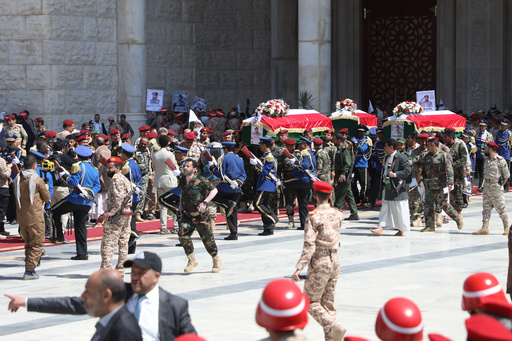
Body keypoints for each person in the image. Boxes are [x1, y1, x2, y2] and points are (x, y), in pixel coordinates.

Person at [5, 252, 196, 340]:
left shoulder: (174, 305)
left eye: (141, 273)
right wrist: (27, 302)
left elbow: (190, 338)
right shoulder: (119, 293)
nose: (135, 277)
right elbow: (75, 304)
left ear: (156, 276)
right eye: (134, 272)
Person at [6, 269, 142, 340]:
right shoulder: (111, 320)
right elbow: (72, 304)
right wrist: (25, 302)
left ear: (107, 295)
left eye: (88, 292)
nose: (82, 297)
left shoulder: (123, 330)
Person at [292, 180, 345, 341]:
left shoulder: (313, 218)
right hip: (335, 259)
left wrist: (299, 268)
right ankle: (331, 338)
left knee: (310, 301)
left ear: (314, 196)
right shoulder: (338, 213)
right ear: (329, 196)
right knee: (328, 303)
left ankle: (334, 326)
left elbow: (309, 246)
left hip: (321, 261)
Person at [51, 145, 101, 260]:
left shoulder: (76, 166)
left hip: (75, 198)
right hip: (87, 201)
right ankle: (82, 253)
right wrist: (90, 193)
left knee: (55, 210)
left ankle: (58, 236)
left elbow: (73, 182)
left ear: (78, 156)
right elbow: (97, 185)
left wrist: (64, 177)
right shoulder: (94, 168)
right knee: (80, 226)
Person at [178, 158, 221, 273]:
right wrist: (180, 207)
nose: (185, 168)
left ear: (194, 169)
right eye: (185, 166)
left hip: (200, 215)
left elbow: (214, 191)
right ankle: (192, 260)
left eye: (188, 166)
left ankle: (215, 258)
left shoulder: (201, 180)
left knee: (207, 239)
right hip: (187, 214)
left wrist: (205, 202)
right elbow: (182, 193)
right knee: (182, 234)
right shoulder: (182, 179)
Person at [14, 154, 51, 279]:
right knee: (37, 243)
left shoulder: (18, 178)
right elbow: (46, 197)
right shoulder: (36, 179)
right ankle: (29, 270)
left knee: (28, 243)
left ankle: (30, 267)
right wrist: (46, 188)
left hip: (22, 216)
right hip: (35, 216)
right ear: (35, 166)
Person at [97, 156, 133, 274]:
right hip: (126, 213)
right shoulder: (124, 179)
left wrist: (109, 214)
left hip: (117, 215)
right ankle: (121, 269)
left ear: (117, 168)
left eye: (110, 168)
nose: (108, 170)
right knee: (123, 242)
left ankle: (106, 270)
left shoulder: (117, 180)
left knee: (108, 243)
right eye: (107, 168)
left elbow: (118, 200)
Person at [418, 137, 462, 232]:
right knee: (428, 205)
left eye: (428, 145)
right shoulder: (427, 156)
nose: (427, 147)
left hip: (440, 185)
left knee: (444, 205)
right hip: (429, 185)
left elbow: (449, 170)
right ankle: (429, 226)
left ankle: (457, 218)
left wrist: (450, 183)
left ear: (434, 145)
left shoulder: (443, 155)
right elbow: (420, 164)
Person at [370, 138, 411, 236]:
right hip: (387, 187)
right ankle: (381, 227)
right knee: (384, 207)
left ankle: (402, 230)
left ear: (391, 147)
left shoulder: (401, 158)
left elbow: (408, 171)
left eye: (386, 146)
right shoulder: (386, 157)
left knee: (400, 209)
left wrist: (395, 174)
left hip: (398, 189)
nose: (384, 148)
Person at [210, 141, 246, 240]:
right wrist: (238, 183)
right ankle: (234, 233)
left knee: (211, 197)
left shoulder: (223, 158)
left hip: (225, 187)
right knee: (232, 212)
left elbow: (221, 174)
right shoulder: (239, 159)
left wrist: (212, 168)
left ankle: (227, 203)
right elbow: (243, 175)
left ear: (225, 149)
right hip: (236, 188)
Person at [473, 142, 510, 235]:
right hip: (487, 187)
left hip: (496, 187)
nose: (484, 150)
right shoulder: (486, 160)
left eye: (486, 148)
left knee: (501, 208)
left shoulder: (500, 160)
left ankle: (506, 227)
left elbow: (506, 176)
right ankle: (484, 228)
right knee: (486, 208)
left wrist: (500, 185)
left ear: (490, 149)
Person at [286, 136, 317, 230]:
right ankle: (303, 224)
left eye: (300, 144)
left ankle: (287, 203)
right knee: (302, 202)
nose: (298, 146)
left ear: (305, 145)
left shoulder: (305, 152)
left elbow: (305, 166)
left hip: (303, 179)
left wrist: (295, 162)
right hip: (306, 180)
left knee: (283, 184)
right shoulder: (310, 153)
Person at [152, 135, 179, 234]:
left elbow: (154, 167)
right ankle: (176, 226)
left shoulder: (154, 154)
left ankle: (163, 227)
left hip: (159, 179)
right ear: (168, 142)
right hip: (170, 180)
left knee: (163, 205)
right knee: (174, 203)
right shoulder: (169, 154)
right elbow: (174, 167)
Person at [252, 136, 279, 236]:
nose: (260, 146)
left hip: (265, 184)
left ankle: (273, 217)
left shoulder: (269, 157)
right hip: (263, 184)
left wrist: (257, 165)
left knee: (257, 204)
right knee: (265, 205)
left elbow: (265, 172)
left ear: (264, 145)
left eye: (261, 144)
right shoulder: (265, 155)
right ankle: (268, 228)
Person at [333, 130, 359, 220]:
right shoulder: (339, 149)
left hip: (344, 175)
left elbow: (347, 163)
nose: (333, 141)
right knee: (348, 194)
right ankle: (354, 213)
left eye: (334, 139)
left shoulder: (344, 149)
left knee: (340, 194)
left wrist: (343, 174)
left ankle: (335, 212)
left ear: (339, 140)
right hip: (340, 174)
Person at [475, 119, 493, 191]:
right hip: (478, 155)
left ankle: (481, 186)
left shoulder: (488, 135)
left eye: (483, 126)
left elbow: (491, 145)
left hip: (484, 155)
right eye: (480, 126)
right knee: (479, 171)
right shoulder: (477, 134)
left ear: (486, 127)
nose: (481, 127)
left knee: (483, 171)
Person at [496, 118, 512, 191]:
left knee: (506, 171)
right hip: (499, 154)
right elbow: (496, 144)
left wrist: (511, 155)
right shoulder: (498, 133)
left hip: (506, 155)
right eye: (501, 125)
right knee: (499, 171)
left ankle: (506, 186)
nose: (502, 126)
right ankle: (500, 185)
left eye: (504, 125)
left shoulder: (509, 134)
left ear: (508, 126)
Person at [0, 153, 10, 238]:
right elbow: (5, 175)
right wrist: (9, 167)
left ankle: (1, 229)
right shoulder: (1, 160)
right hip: (2, 187)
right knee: (2, 210)